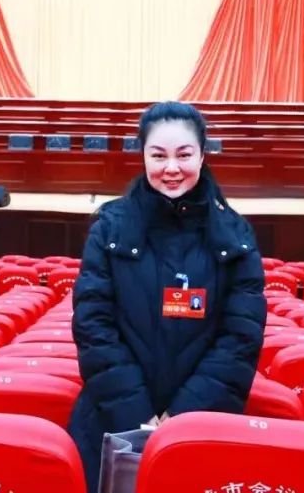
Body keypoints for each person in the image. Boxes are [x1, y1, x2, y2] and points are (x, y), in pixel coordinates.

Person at [67, 102, 266, 493]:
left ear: (202, 155)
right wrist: (137, 416)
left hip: (203, 427)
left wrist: (182, 416)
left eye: (184, 155)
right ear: (142, 156)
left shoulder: (235, 235)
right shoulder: (109, 227)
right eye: (158, 156)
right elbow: (92, 324)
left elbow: (241, 338)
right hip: (113, 423)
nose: (171, 168)